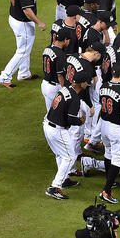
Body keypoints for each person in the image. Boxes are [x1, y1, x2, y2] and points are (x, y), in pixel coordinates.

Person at [0, 0, 47, 89]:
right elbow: (27, 10)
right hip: (23, 23)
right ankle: (5, 77)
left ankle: (24, 73)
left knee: (25, 48)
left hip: (14, 17)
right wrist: (39, 22)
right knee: (22, 51)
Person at [43, 69, 90, 200]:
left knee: (61, 154)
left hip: (48, 124)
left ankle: (65, 180)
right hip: (57, 130)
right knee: (70, 157)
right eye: (87, 81)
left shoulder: (67, 88)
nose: (88, 84)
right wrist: (80, 121)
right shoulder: (74, 97)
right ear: (82, 83)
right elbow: (71, 119)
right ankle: (54, 187)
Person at [99, 63, 120, 204]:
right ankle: (106, 191)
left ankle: (110, 182)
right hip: (117, 128)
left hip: (104, 125)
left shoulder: (103, 86)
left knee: (108, 153)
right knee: (118, 158)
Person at [41, 27, 71, 110]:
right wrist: (64, 90)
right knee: (57, 114)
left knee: (50, 113)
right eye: (69, 39)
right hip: (53, 88)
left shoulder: (47, 48)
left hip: (44, 84)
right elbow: (60, 75)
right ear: (65, 40)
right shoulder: (60, 55)